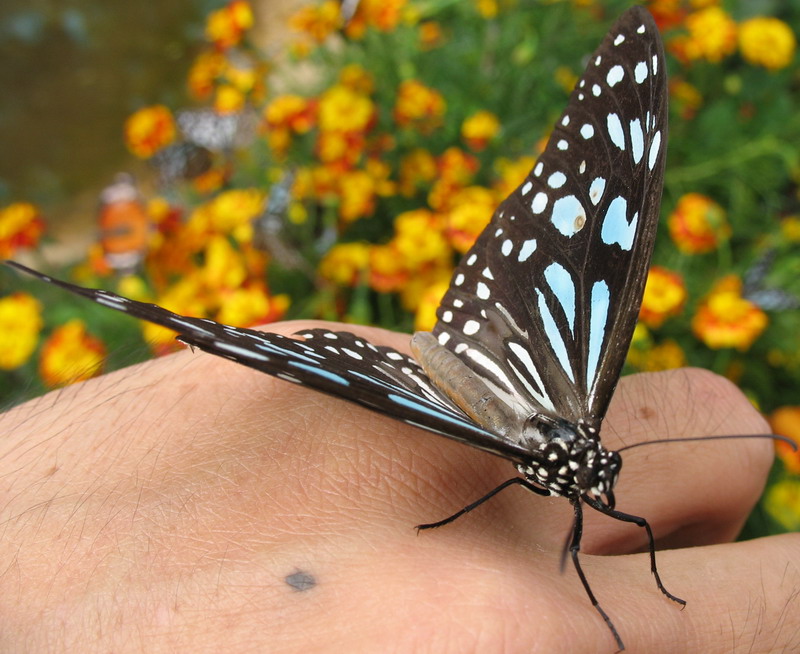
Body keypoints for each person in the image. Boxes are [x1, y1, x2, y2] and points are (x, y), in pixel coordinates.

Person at [1, 321, 797, 652]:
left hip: (497, 364)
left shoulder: (576, 445)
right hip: (480, 373)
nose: (603, 479)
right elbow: (517, 489)